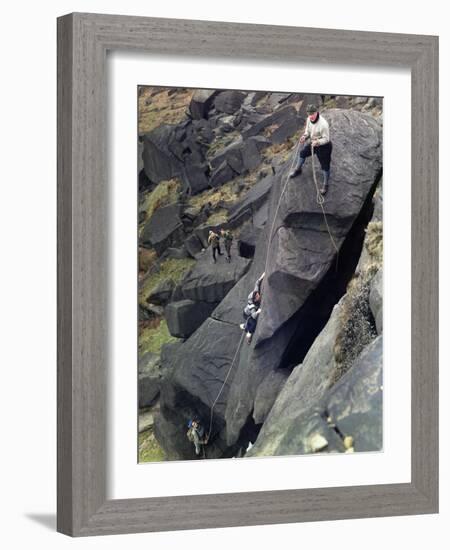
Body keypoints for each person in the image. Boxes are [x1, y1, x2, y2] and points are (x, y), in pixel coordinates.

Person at [289, 104, 332, 195]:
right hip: (313, 143)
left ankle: (326, 184)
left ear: (316, 112)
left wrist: (318, 142)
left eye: (313, 114)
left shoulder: (323, 124)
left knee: (325, 166)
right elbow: (307, 131)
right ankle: (298, 169)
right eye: (309, 114)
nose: (311, 116)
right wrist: (304, 136)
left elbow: (326, 139)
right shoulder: (309, 119)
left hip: (324, 146)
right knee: (302, 153)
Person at [239, 273, 265, 344]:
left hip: (248, 311)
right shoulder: (252, 306)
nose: (258, 296)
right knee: (253, 323)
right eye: (256, 297)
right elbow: (253, 315)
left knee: (250, 322)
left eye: (257, 294)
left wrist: (262, 277)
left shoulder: (255, 292)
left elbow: (257, 283)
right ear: (254, 300)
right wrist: (258, 312)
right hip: (247, 314)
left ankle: (245, 325)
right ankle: (249, 334)